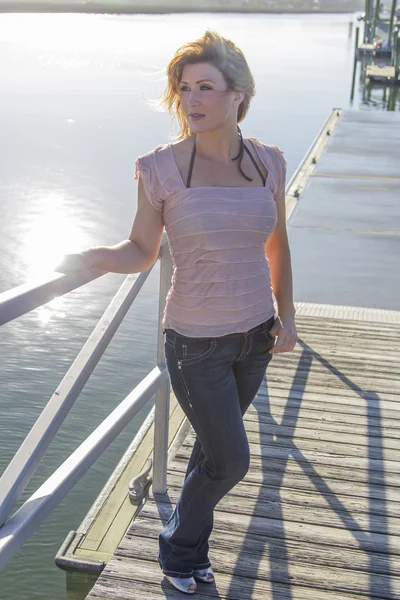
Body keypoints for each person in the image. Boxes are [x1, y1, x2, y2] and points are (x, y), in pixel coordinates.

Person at [56, 30, 297, 595]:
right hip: (196, 344)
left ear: (239, 93)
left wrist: (287, 319)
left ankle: (189, 554)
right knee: (231, 461)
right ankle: (178, 549)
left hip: (255, 335)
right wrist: (89, 256)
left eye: (206, 87)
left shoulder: (269, 162)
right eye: (184, 88)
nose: (192, 99)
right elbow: (141, 252)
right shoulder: (160, 168)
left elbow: (278, 244)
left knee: (213, 453)